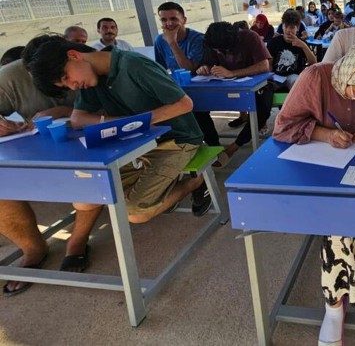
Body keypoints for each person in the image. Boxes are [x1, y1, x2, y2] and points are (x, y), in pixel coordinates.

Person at [272, 35, 355, 345]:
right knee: (337, 230)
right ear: (348, 76)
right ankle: (334, 307)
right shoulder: (316, 77)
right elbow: (282, 126)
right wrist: (324, 133)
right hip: (320, 169)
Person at [29, 39, 210, 225]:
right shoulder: (91, 80)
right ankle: (158, 193)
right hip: (133, 144)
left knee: (134, 213)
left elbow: (184, 104)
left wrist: (138, 122)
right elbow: (77, 119)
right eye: (65, 86)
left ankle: (195, 182)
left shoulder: (133, 65)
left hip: (176, 140)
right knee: (85, 198)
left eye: (66, 77)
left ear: (74, 55)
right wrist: (120, 123)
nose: (73, 86)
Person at [0, 34, 85, 296]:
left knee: (93, 181)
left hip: (86, 147)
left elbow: (115, 111)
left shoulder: (85, 62)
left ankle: (77, 243)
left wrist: (63, 113)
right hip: (32, 149)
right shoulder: (9, 78)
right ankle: (33, 248)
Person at [152, 2, 218, 168]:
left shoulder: (197, 39)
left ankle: (214, 148)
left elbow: (189, 68)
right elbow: (159, 69)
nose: (169, 23)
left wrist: (173, 43)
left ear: (184, 19)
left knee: (199, 115)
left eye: (174, 18)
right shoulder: (160, 40)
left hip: (198, 88)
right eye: (164, 20)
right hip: (176, 87)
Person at [198, 22, 273, 161]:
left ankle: (235, 145)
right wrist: (204, 68)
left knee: (262, 109)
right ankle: (215, 147)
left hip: (258, 84)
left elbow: (264, 66)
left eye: (222, 50)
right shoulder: (212, 41)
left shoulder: (250, 37)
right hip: (224, 87)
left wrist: (233, 73)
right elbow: (209, 62)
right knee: (196, 106)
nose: (219, 53)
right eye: (217, 51)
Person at [267, 9, 317, 91]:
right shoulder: (274, 42)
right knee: (268, 86)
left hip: (294, 76)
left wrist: (303, 46)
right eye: (285, 26)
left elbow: (314, 62)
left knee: (297, 82)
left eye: (292, 27)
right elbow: (269, 65)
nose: (288, 30)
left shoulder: (302, 43)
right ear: (282, 26)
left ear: (297, 28)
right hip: (277, 76)